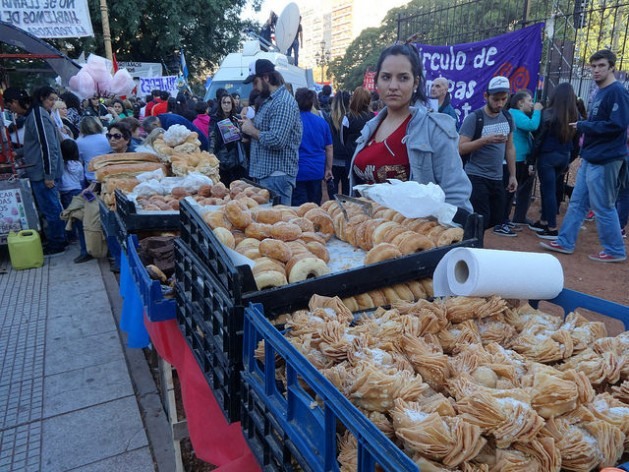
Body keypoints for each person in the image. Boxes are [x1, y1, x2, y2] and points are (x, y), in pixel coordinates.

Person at [348, 44, 472, 214]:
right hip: (365, 232)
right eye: (386, 77)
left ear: (416, 82)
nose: (393, 86)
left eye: (403, 78)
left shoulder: (434, 130)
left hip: (411, 236)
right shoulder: (369, 129)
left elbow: (456, 196)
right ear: (377, 82)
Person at [540, 49, 629, 262]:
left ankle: (615, 250)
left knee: (603, 206)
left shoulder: (617, 91)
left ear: (612, 68)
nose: (596, 70)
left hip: (606, 159)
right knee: (578, 203)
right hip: (592, 157)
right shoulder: (600, 92)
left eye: (601, 66)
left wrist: (584, 126)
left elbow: (618, 125)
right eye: (593, 66)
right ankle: (565, 241)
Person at [459, 76, 517, 234]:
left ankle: (470, 239)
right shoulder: (474, 118)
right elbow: (461, 148)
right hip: (475, 176)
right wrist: (485, 140)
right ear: (486, 97)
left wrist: (513, 175)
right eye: (496, 99)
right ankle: (473, 248)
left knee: (497, 218)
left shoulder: (508, 117)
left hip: (497, 178)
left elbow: (510, 148)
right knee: (480, 220)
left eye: (503, 99)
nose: (499, 103)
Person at [240, 59, 302, 205]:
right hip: (267, 174)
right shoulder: (270, 100)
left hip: (276, 176)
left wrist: (251, 130)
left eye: (255, 82)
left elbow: (277, 139)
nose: (254, 88)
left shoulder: (282, 102)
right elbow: (266, 128)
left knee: (276, 224)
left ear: (266, 78)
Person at [526, 84, 579, 239]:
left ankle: (552, 228)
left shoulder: (548, 113)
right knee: (548, 189)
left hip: (548, 157)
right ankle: (543, 222)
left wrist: (531, 159)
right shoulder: (575, 115)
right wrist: (570, 159)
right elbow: (577, 142)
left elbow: (539, 139)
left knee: (548, 191)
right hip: (564, 156)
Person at [21, 86, 67, 255]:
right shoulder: (39, 115)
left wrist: (48, 175)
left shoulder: (39, 115)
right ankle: (59, 238)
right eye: (51, 100)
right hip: (43, 171)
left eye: (55, 100)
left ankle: (58, 241)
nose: (53, 103)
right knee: (52, 207)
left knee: (51, 208)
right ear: (41, 98)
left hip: (43, 173)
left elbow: (48, 148)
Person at [504, 90, 543, 227]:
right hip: (518, 159)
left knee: (524, 190)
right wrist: (538, 111)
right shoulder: (515, 113)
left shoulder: (516, 114)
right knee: (512, 189)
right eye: (530, 101)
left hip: (521, 157)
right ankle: (505, 219)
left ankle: (518, 217)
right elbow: (532, 126)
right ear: (520, 103)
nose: (532, 104)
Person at [292, 88, 333, 205]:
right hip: (316, 170)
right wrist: (328, 169)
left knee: (299, 208)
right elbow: (329, 147)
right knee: (314, 206)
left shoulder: (293, 122)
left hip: (297, 170)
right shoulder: (322, 122)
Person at [59, 139, 92, 263]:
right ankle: (85, 246)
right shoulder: (78, 164)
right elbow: (82, 180)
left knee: (75, 222)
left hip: (67, 194)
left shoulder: (61, 166)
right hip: (79, 192)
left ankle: (85, 251)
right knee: (81, 221)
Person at [209, 94, 245, 186]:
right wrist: (211, 155)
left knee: (236, 186)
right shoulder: (215, 119)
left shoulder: (237, 118)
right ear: (220, 104)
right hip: (220, 157)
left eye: (228, 102)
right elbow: (212, 137)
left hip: (235, 158)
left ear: (232, 104)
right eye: (224, 102)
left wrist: (239, 132)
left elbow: (245, 137)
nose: (226, 105)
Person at [324, 90, 351, 196]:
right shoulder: (350, 118)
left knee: (333, 195)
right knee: (347, 195)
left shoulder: (328, 117)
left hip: (332, 160)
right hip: (347, 160)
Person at [142, 114, 209, 151]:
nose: (152, 133)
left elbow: (179, 142)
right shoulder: (162, 119)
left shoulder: (171, 122)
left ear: (155, 124)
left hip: (198, 144)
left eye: (150, 131)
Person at [76, 116, 111, 182]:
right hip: (107, 175)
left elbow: (79, 161)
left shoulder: (79, 141)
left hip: (90, 176)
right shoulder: (107, 139)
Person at [345, 87, 375, 160]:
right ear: (368, 100)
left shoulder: (347, 117)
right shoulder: (374, 117)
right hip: (368, 156)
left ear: (354, 99)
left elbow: (343, 138)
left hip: (352, 156)